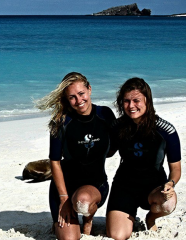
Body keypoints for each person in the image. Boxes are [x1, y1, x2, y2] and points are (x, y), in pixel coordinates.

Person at [36, 72, 116, 239]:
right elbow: (55, 162)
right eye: (72, 97)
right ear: (66, 99)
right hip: (64, 188)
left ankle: (88, 220)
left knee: (84, 202)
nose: (79, 101)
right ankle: (60, 220)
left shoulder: (105, 115)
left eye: (81, 94)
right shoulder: (61, 122)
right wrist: (64, 199)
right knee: (69, 238)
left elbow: (114, 148)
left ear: (90, 89)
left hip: (95, 186)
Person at [106, 77, 181, 240]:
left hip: (153, 187)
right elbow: (107, 152)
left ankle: (151, 217)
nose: (131, 106)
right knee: (116, 235)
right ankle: (129, 214)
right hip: (125, 186)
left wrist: (170, 183)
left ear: (147, 100)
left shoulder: (166, 131)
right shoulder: (117, 127)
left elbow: (176, 169)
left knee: (168, 203)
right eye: (126, 101)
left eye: (136, 100)